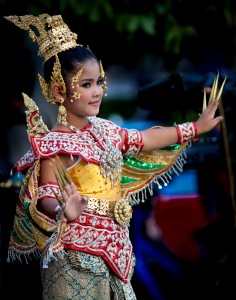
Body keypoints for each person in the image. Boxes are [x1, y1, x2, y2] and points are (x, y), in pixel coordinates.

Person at [4, 13, 225, 300]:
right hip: (75, 261)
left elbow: (146, 139)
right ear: (59, 91)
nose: (97, 92)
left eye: (99, 82)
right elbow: (46, 195)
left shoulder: (106, 131)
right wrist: (63, 211)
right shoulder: (56, 145)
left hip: (117, 253)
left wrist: (195, 127)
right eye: (86, 85)